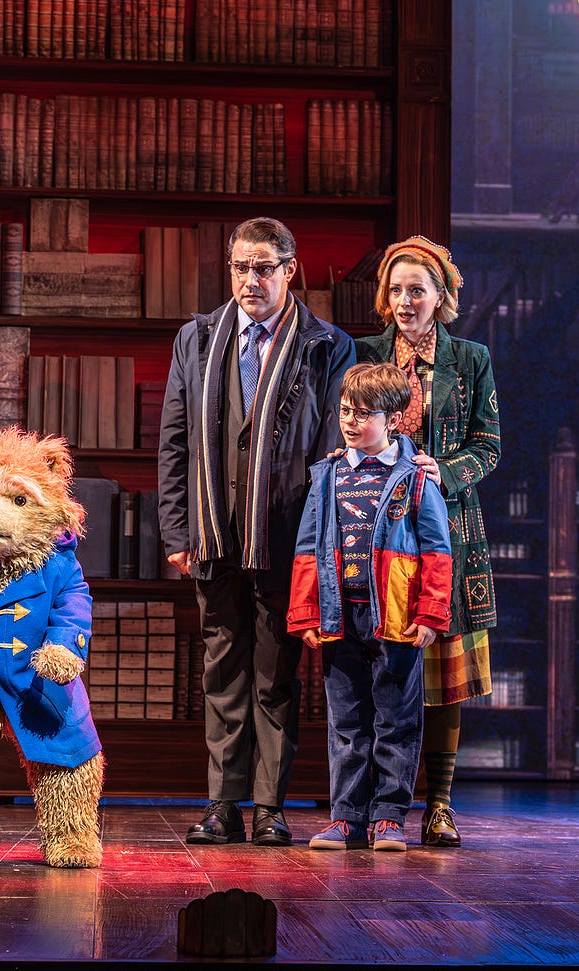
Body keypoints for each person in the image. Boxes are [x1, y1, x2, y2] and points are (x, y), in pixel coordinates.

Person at [158, 217, 355, 847]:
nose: (250, 280)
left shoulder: (326, 345)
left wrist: (316, 543)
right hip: (212, 534)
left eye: (264, 268)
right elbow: (175, 440)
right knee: (222, 673)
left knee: (275, 678)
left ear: (289, 270)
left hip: (285, 536)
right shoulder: (197, 338)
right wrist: (176, 530)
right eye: (241, 267)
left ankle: (269, 805)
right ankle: (223, 805)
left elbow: (332, 453)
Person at [354, 236, 500, 847]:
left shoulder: (470, 359)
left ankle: (438, 805)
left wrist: (447, 470)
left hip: (448, 533)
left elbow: (489, 446)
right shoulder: (364, 354)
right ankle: (373, 805)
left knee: (443, 674)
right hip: (377, 530)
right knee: (376, 668)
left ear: (441, 296)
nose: (405, 300)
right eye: (396, 290)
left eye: (417, 289)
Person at [287, 363, 453, 852]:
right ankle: (346, 817)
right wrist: (306, 612)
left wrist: (431, 613)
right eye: (345, 411)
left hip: (395, 618)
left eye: (363, 414)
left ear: (394, 420)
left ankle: (388, 817)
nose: (351, 422)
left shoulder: (415, 478)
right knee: (346, 721)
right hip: (340, 615)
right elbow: (307, 547)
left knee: (395, 720)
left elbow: (438, 550)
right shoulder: (328, 475)